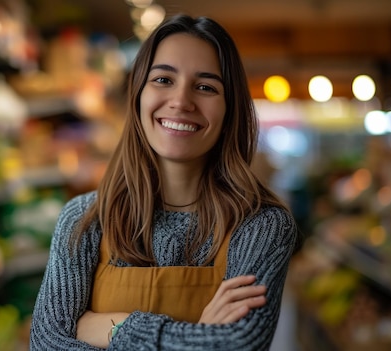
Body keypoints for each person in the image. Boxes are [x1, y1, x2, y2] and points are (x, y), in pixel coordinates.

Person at [30, 13, 301, 350]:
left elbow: (236, 345)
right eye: (163, 80)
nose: (181, 101)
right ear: (138, 94)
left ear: (230, 108)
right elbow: (46, 344)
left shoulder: (261, 226)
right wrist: (198, 335)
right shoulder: (84, 220)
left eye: (205, 87)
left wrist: (117, 327)